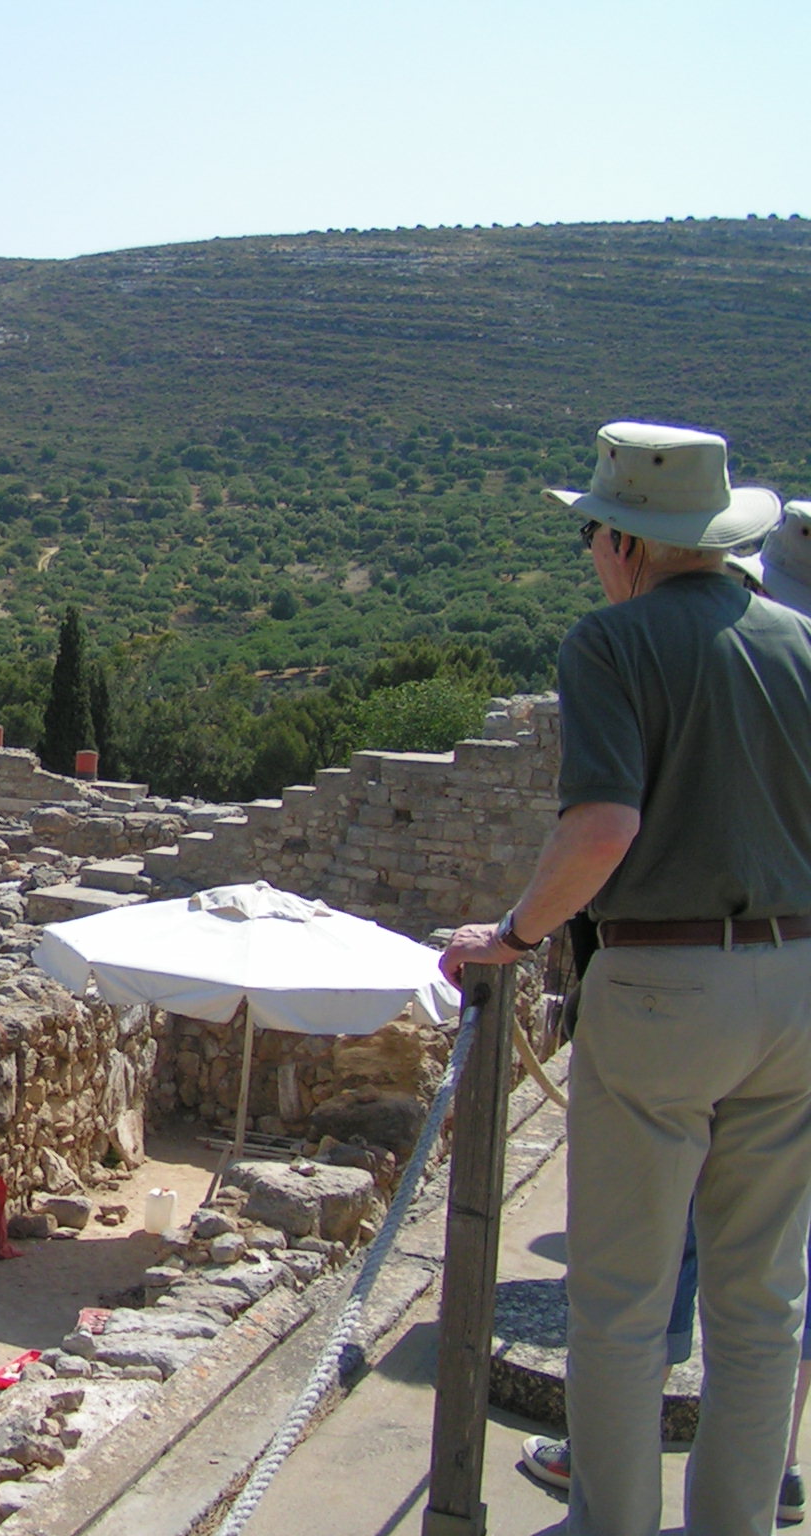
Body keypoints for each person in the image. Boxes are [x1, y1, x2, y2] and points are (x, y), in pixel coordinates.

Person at [440, 422, 811, 1536]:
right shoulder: (800, 642)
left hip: (664, 989)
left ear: (626, 543)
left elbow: (602, 827)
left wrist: (514, 934)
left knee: (622, 1301)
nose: (593, 556)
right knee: (761, 1301)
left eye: (594, 536)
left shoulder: (612, 644)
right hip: (798, 984)